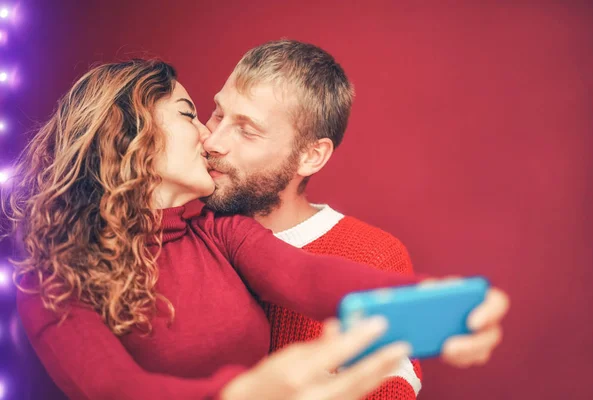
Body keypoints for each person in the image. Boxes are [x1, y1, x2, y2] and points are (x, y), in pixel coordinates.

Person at [2, 59, 508, 400]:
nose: (209, 135)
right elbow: (117, 390)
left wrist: (448, 303)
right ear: (128, 135)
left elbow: (309, 279)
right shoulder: (49, 283)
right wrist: (249, 392)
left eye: (238, 126)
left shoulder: (217, 230)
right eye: (194, 113)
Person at [201, 39, 506, 398]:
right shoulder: (180, 230)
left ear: (311, 157)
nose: (212, 142)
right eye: (218, 114)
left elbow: (393, 379)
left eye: (247, 130)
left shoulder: (374, 254)